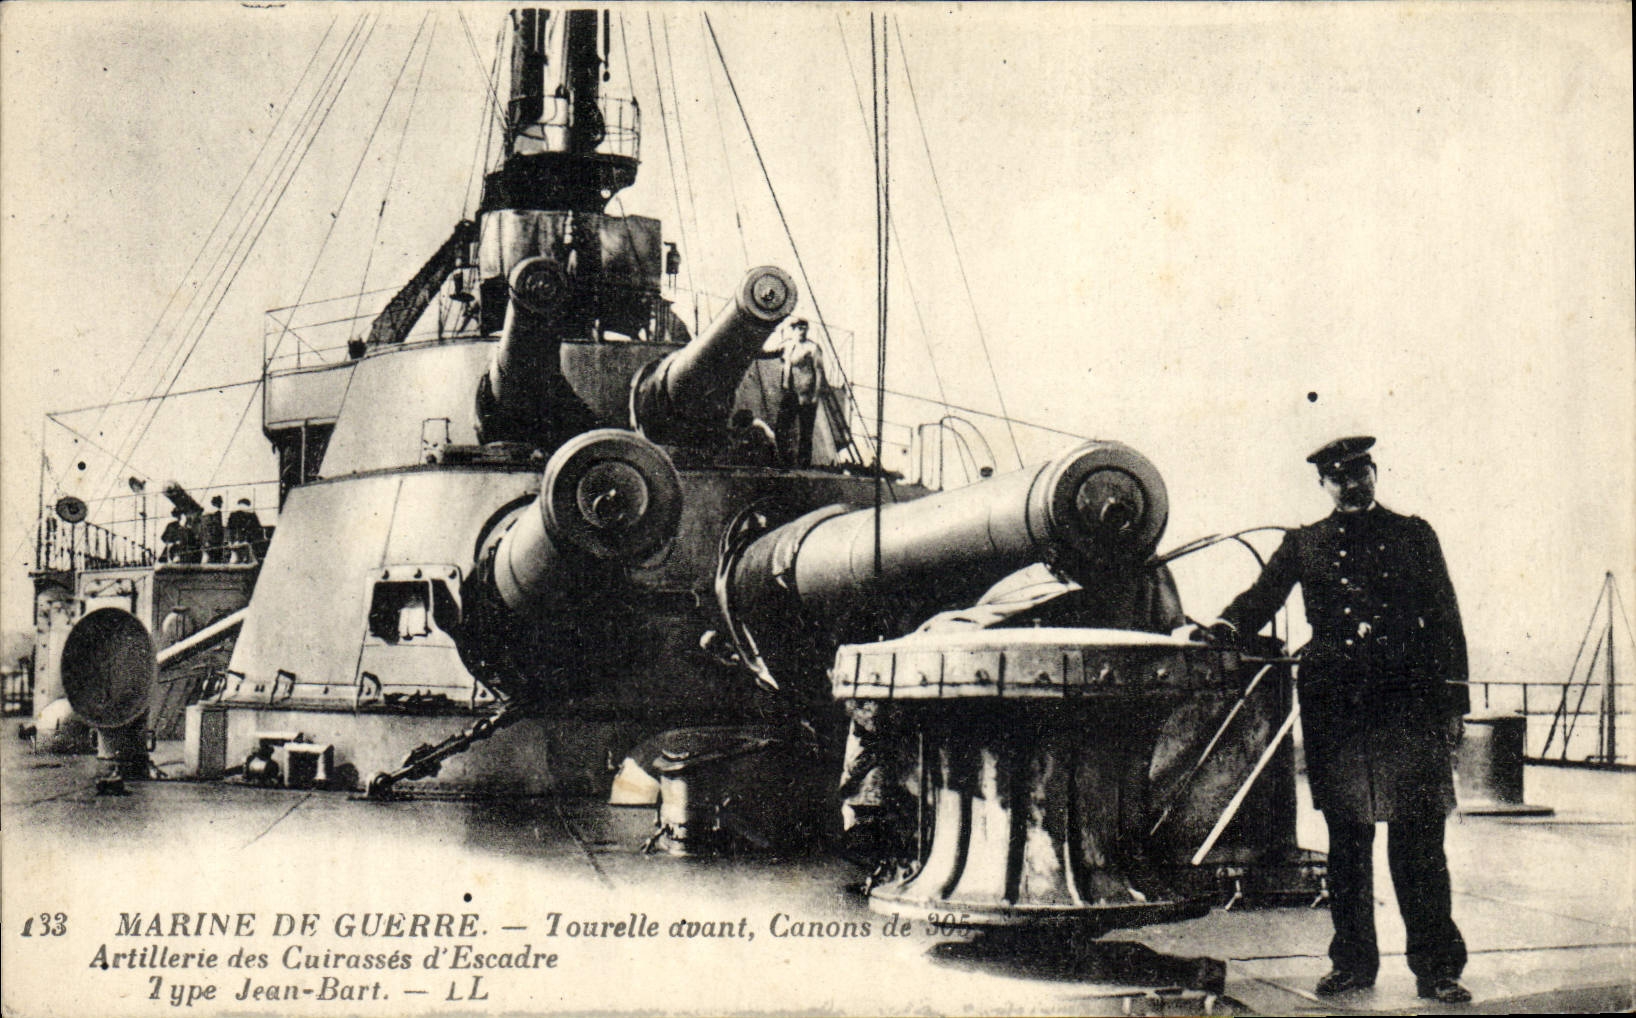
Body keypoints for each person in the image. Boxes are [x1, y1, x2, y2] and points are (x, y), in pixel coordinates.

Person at [1201, 436, 1471, 1004]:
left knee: (1419, 844)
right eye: (1339, 477)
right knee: (1348, 846)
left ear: (1375, 473)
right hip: (1337, 711)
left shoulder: (1413, 534)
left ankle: (1438, 969)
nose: (1352, 484)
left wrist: (1452, 706)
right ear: (1322, 484)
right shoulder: (1304, 544)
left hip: (1407, 703)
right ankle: (1351, 965)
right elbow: (1261, 598)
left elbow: (1445, 618)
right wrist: (1225, 627)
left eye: (1360, 472)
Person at [776, 318, 824, 466]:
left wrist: (815, 395)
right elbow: (770, 353)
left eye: (804, 328)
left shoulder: (812, 348)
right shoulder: (787, 345)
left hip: (806, 395)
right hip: (790, 393)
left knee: (805, 431)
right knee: (782, 427)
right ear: (793, 330)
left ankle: (804, 463)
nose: (802, 331)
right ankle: (784, 459)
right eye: (799, 328)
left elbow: (819, 373)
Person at [226, 498, 263, 563]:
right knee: (247, 559)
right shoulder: (251, 515)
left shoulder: (233, 514)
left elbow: (229, 528)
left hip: (235, 542)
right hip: (246, 542)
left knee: (235, 559)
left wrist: (230, 541)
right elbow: (257, 529)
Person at [200, 495, 226, 563]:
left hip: (206, 540)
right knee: (213, 559)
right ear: (218, 503)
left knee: (206, 557)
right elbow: (216, 527)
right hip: (214, 541)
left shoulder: (205, 514)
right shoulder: (216, 513)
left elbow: (204, 528)